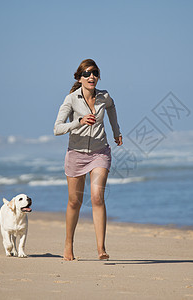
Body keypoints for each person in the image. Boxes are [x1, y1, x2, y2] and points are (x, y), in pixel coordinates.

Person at [54, 59, 123, 261]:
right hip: (76, 153)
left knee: (97, 197)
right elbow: (57, 128)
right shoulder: (71, 100)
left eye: (94, 73)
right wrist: (78, 122)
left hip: (100, 152)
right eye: (86, 73)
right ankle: (68, 244)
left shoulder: (104, 97)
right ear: (79, 78)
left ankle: (101, 248)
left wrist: (116, 131)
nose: (91, 76)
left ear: (98, 76)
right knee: (75, 201)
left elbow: (112, 107)